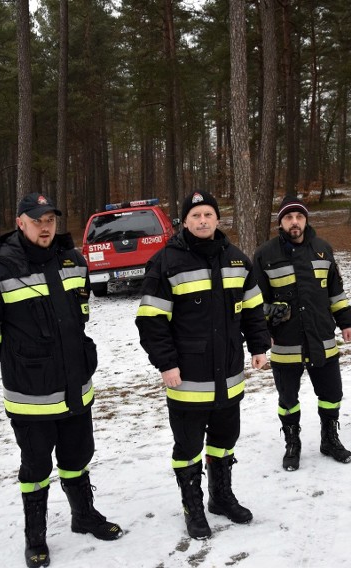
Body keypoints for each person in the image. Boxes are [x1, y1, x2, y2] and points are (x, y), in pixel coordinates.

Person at [0, 193, 122, 568]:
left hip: (75, 386)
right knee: (36, 468)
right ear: (20, 222)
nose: (46, 226)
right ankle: (35, 535)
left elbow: (80, 314)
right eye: (38, 220)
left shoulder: (72, 260)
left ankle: (83, 515)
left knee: (77, 456)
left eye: (50, 219)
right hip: (31, 395)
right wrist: (19, 357)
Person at [135, 191, 270, 540]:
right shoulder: (165, 262)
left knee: (225, 441)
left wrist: (258, 347)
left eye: (208, 214)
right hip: (186, 380)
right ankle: (192, 507)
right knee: (188, 448)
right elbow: (151, 321)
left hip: (229, 375)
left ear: (218, 219)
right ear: (185, 221)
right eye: (195, 215)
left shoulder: (237, 260)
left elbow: (254, 310)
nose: (203, 221)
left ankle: (221, 498)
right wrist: (166, 364)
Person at [253, 195, 351, 471]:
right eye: (288, 218)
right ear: (281, 223)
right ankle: (292, 443)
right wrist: (265, 326)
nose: (294, 222)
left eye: (299, 217)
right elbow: (254, 301)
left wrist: (345, 321)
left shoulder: (323, 249)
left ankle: (329, 439)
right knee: (288, 400)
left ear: (306, 220)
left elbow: (336, 290)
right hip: (286, 343)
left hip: (322, 338)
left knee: (332, 393)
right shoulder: (265, 254)